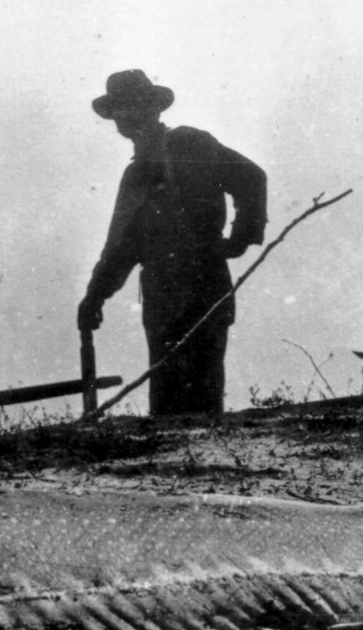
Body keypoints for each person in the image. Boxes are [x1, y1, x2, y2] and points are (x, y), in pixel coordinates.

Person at [78, 70, 268, 416]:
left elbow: (251, 177)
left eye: (134, 106)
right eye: (119, 109)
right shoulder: (135, 175)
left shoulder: (188, 143)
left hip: (202, 284)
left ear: (154, 109)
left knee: (203, 395)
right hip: (161, 296)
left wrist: (239, 240)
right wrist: (95, 297)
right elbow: (121, 249)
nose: (126, 116)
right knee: (166, 400)